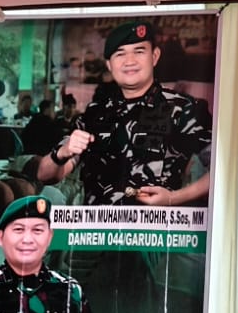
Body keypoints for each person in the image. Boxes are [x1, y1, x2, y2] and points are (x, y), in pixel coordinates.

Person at [35, 22, 213, 207]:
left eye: (139, 51)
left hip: (155, 224)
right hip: (96, 224)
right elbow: (45, 175)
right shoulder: (95, 114)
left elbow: (222, 169)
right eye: (120, 54)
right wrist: (61, 153)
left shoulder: (183, 109)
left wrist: (173, 198)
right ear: (109, 64)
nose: (130, 61)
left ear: (154, 56)